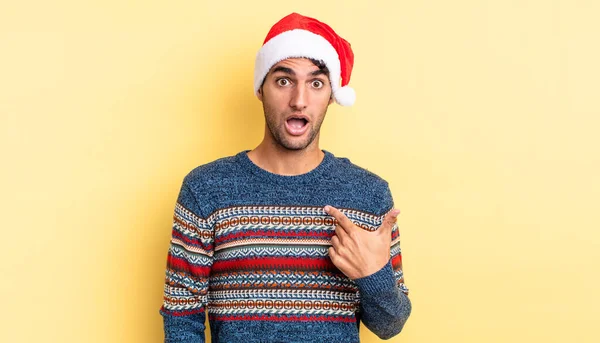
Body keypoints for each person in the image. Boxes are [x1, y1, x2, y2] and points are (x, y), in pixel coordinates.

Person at [159, 12, 412, 343]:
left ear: (331, 95)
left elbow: (389, 326)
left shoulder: (369, 195)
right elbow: (181, 320)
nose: (299, 100)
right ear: (260, 89)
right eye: (283, 80)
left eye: (316, 83)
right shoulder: (205, 190)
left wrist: (374, 276)